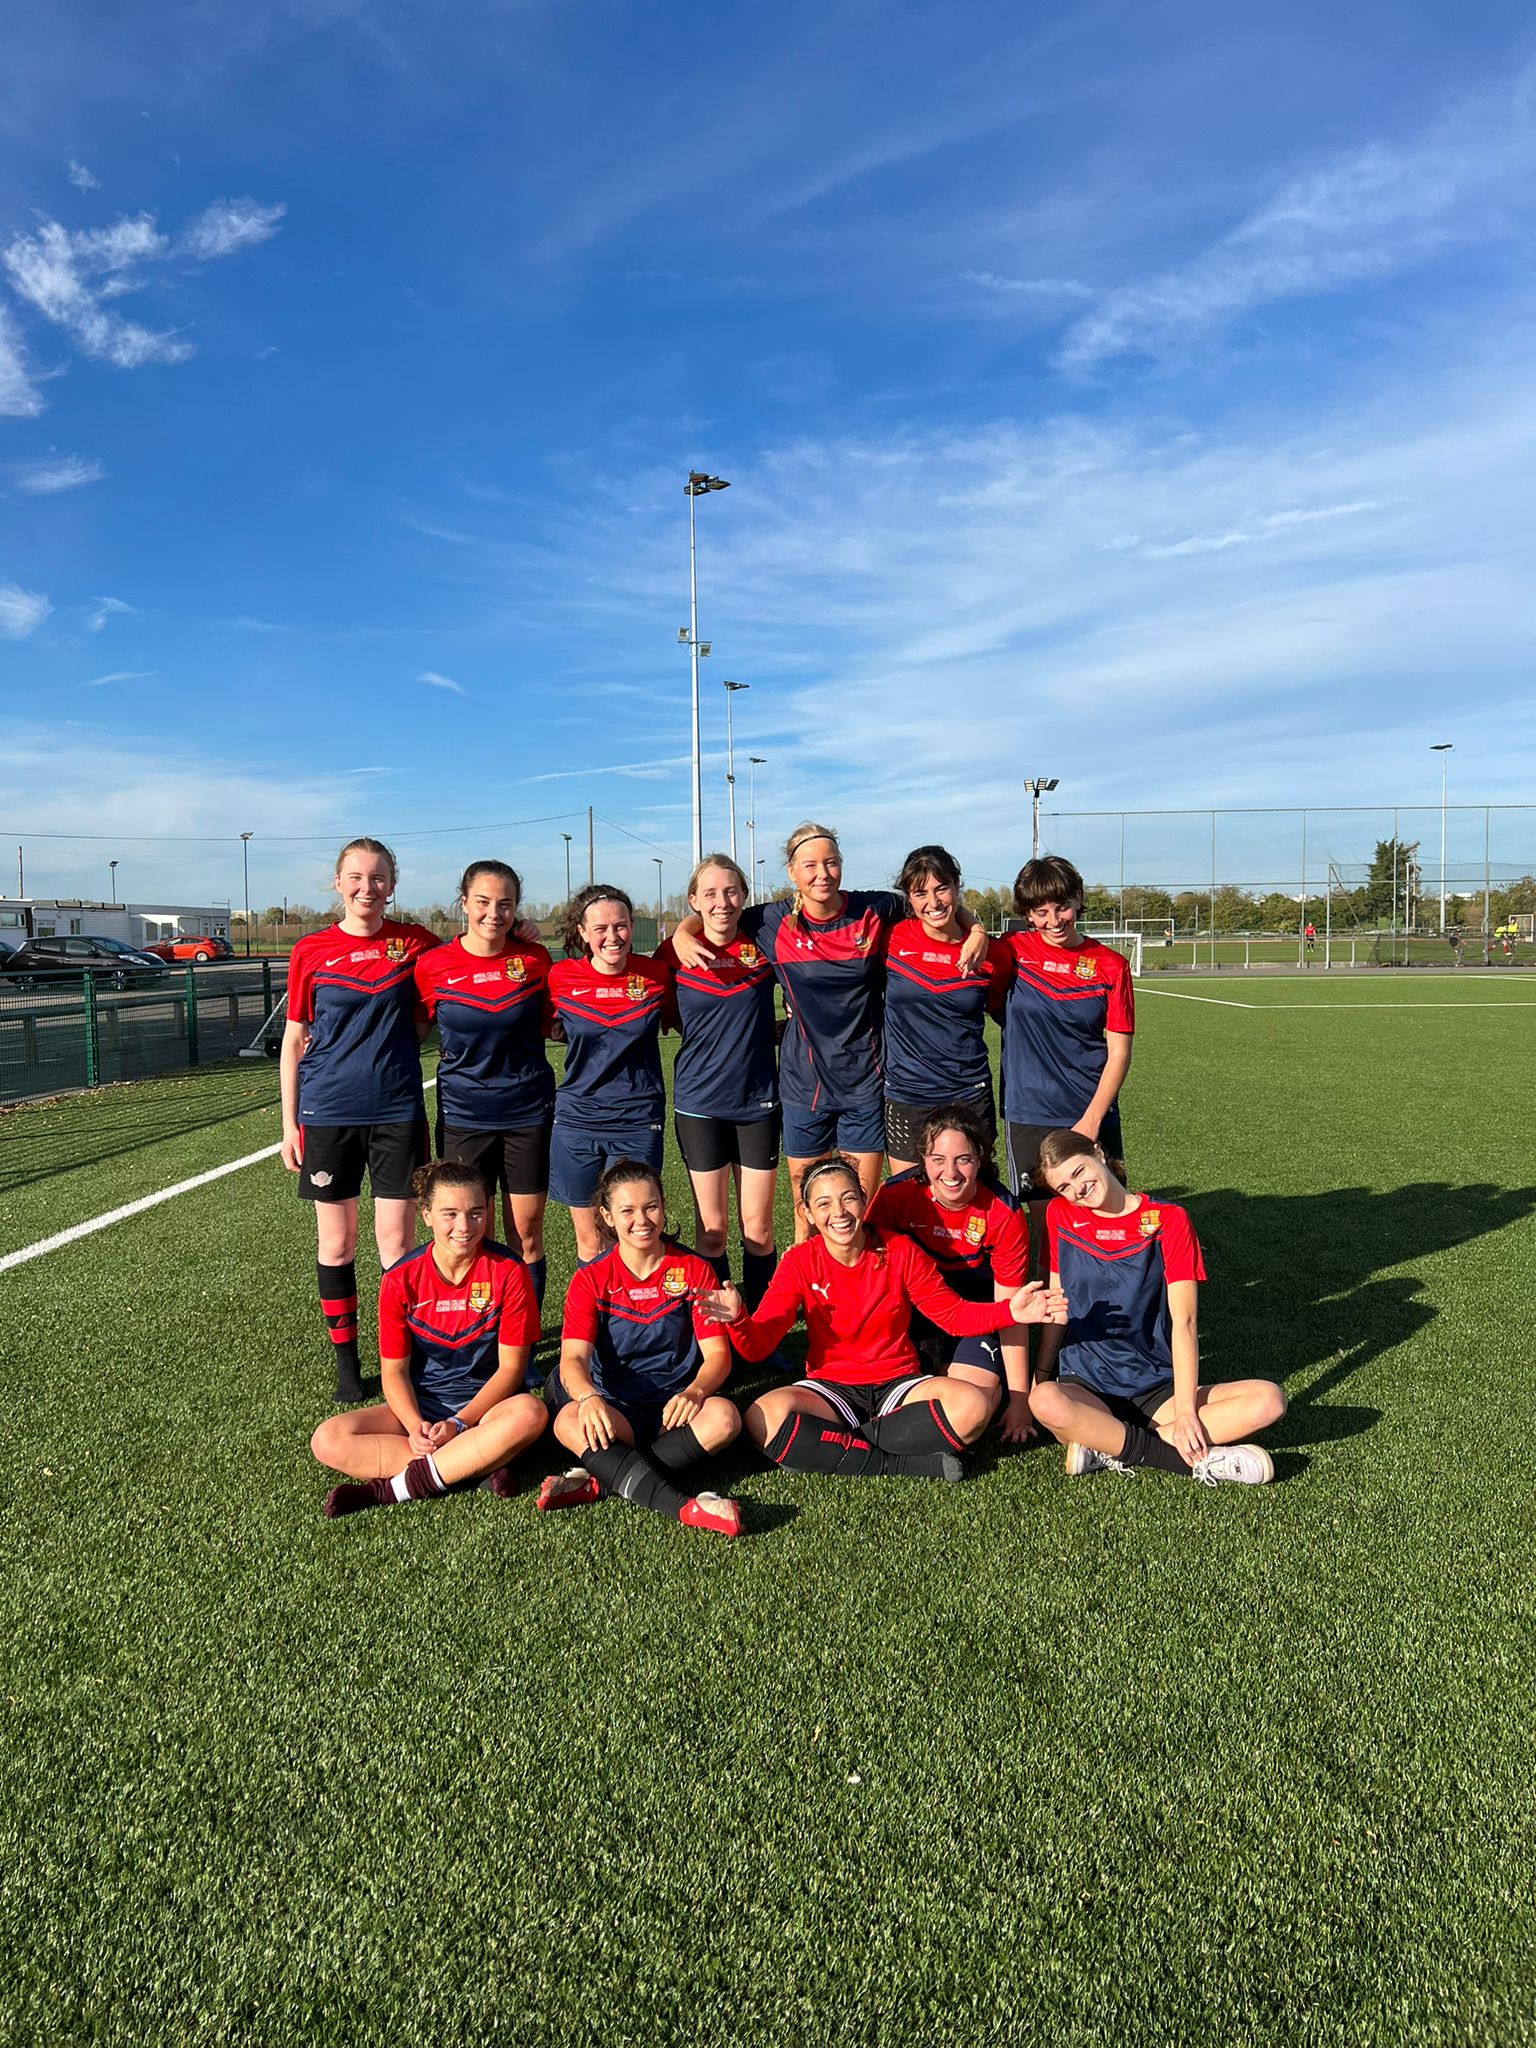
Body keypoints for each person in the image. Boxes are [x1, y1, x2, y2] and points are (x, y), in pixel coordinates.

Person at [673, 822, 987, 1240]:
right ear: (792, 871)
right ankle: (808, 1300)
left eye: (831, 863)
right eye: (810, 865)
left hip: (865, 1085)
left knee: (864, 1208)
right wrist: (680, 932)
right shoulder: (771, 921)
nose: (822, 873)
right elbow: (715, 912)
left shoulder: (874, 910)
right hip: (803, 1089)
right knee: (808, 1214)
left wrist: (977, 927)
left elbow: (928, 896)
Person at [703, 1156, 1064, 1480]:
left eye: (847, 1198)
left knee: (973, 1407)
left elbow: (953, 1316)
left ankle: (834, 1448)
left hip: (898, 1384)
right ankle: (899, 1462)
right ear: (809, 1215)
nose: (839, 1213)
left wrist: (1009, 1311)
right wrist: (738, 1319)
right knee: (760, 1417)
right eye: (824, 1204)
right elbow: (759, 1345)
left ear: (863, 1199)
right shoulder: (800, 1262)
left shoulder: (899, 1249)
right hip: (832, 1389)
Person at [280, 837, 441, 1404]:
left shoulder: (416, 944)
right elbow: (295, 1039)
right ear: (337, 882)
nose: (366, 887)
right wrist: (288, 1124)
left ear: (392, 885)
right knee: (338, 1241)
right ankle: (347, 1363)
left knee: (396, 1243)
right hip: (327, 1113)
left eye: (377, 877)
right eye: (355, 876)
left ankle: (401, 1360)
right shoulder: (311, 950)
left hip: (397, 1109)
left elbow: (466, 966)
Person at [1028, 1130, 1284, 1484]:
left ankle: (1105, 1443)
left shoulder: (1168, 1219)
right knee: (1045, 1401)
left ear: (1098, 1154)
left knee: (1268, 1400)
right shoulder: (1060, 1215)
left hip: (1154, 1385)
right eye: (1064, 1188)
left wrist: (1185, 1413)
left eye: (1078, 1172)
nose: (1077, 1191)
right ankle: (1187, 1460)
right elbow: (1058, 1306)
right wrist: (1041, 1373)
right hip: (1084, 1386)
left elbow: (1185, 1322)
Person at [310, 1159, 547, 1515]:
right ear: (426, 1214)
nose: (464, 1226)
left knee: (530, 1413)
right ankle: (474, 1465)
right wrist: (414, 1428)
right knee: (327, 1439)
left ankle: (397, 1487)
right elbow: (394, 1371)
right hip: (423, 1406)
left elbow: (511, 1370)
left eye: (476, 1213)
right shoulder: (401, 1278)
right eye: (449, 1214)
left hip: (488, 1410)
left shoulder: (509, 1271)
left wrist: (459, 1423)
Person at [539, 1160, 743, 1535]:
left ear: (663, 1206)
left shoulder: (694, 1269)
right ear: (607, 1215)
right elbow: (572, 1359)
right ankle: (685, 1507)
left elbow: (717, 1356)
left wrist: (695, 1391)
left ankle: (604, 1476)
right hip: (616, 1409)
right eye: (627, 1211)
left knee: (725, 1417)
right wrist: (587, 1398)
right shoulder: (591, 1279)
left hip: (675, 1408)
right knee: (569, 1420)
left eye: (651, 1207)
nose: (642, 1220)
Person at [415, 860, 555, 1316]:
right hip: (464, 1116)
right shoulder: (432, 965)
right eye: (483, 902)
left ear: (517, 908)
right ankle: (486, 1333)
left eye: (505, 904)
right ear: (464, 903)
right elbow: (411, 1032)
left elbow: (553, 1024)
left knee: (526, 1232)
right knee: (473, 1232)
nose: (493, 913)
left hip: (527, 1112)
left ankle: (526, 1338)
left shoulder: (535, 960)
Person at [866, 1103, 1035, 1443]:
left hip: (977, 1315)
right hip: (912, 1311)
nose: (951, 1173)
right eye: (938, 1160)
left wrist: (1019, 1399)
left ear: (981, 1158)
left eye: (964, 1159)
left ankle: (911, 1431)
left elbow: (1011, 1311)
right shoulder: (896, 1194)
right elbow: (867, 1273)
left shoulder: (1003, 1213)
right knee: (887, 1388)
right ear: (923, 1160)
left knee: (977, 1403)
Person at [654, 854, 780, 1307]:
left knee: (759, 1229)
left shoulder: (763, 942)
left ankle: (761, 1329)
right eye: (709, 893)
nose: (721, 902)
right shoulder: (672, 953)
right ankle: (718, 1330)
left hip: (758, 1102)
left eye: (731, 891)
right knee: (712, 1233)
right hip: (699, 1104)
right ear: (693, 900)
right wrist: (682, 933)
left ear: (745, 897)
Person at [998, 854, 1134, 1233]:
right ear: (1027, 913)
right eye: (1040, 911)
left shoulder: (1110, 966)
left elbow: (1119, 1053)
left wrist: (1090, 1123)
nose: (1054, 920)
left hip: (1090, 1110)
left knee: (1105, 1221)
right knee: (1046, 1228)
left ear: (1078, 900)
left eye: (1062, 907)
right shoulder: (1012, 951)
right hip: (1028, 1112)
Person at [547, 885, 669, 1263]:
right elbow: (547, 1027)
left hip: (637, 1120)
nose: (612, 937)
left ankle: (636, 1320)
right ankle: (597, 1322)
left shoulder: (657, 975)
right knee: (590, 1243)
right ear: (582, 932)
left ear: (632, 926)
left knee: (634, 1239)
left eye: (621, 926)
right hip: (577, 1121)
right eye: (600, 928)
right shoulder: (560, 978)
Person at [881, 844, 1012, 1171]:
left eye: (942, 888)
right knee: (909, 1201)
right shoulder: (891, 937)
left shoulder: (993, 955)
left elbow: (1000, 1011)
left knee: (973, 1196)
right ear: (908, 897)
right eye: (920, 892)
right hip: (907, 1092)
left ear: (957, 887)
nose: (933, 902)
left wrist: (978, 931)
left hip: (968, 1091)